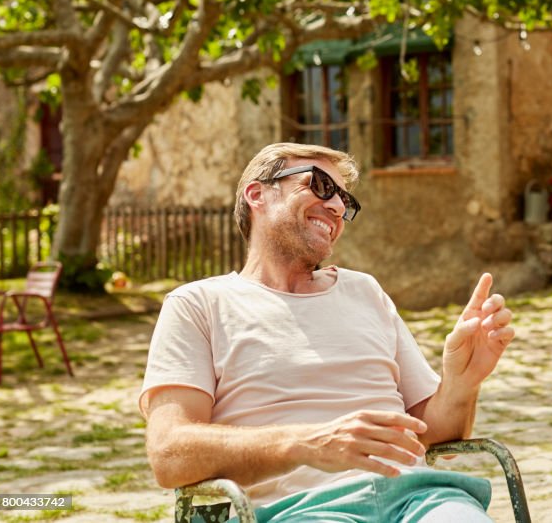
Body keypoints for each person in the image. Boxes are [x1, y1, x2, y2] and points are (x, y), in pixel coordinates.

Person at [140, 143, 515, 522]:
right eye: (320, 185)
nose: (336, 206)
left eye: (344, 199)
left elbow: (434, 434)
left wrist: (462, 381)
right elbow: (169, 453)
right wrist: (308, 443)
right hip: (299, 511)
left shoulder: (365, 291)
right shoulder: (198, 305)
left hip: (420, 500)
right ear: (257, 194)